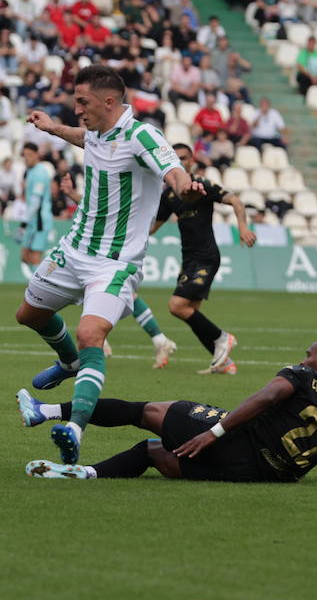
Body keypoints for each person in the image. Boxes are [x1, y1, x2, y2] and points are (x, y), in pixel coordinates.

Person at [15, 65, 204, 465]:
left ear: (109, 102)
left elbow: (172, 170)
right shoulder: (99, 132)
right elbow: (85, 138)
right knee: (29, 314)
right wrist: (52, 128)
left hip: (115, 263)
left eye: (82, 102)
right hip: (74, 250)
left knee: (90, 334)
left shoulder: (142, 135)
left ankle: (74, 428)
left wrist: (185, 187)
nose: (76, 108)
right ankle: (68, 362)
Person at [20, 333, 317, 486]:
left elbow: (265, 397)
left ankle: (48, 411)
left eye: (310, 355)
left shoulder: (303, 377)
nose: (305, 359)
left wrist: (215, 431)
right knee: (153, 452)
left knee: (151, 410)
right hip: (259, 477)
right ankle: (84, 473)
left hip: (233, 443)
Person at [151, 143, 257, 373]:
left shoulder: (202, 185)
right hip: (189, 258)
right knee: (192, 311)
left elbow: (235, 201)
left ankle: (222, 338)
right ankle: (224, 363)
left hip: (206, 256)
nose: (180, 161)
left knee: (176, 306)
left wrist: (242, 227)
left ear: (192, 160)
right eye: (176, 158)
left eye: (184, 158)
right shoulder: (169, 194)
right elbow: (151, 228)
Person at [57, 171, 177, 368]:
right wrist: (71, 194)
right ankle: (158, 340)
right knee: (120, 292)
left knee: (99, 286)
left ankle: (101, 339)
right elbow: (97, 208)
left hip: (117, 246)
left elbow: (104, 209)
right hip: (108, 243)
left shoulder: (131, 180)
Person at [18, 142, 55, 267]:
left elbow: (35, 202)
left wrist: (24, 223)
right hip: (33, 219)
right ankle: (41, 282)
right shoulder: (30, 171)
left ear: (36, 155)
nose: (26, 158)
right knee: (25, 256)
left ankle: (41, 284)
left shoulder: (40, 173)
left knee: (34, 256)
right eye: (24, 155)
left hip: (39, 220)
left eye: (29, 155)